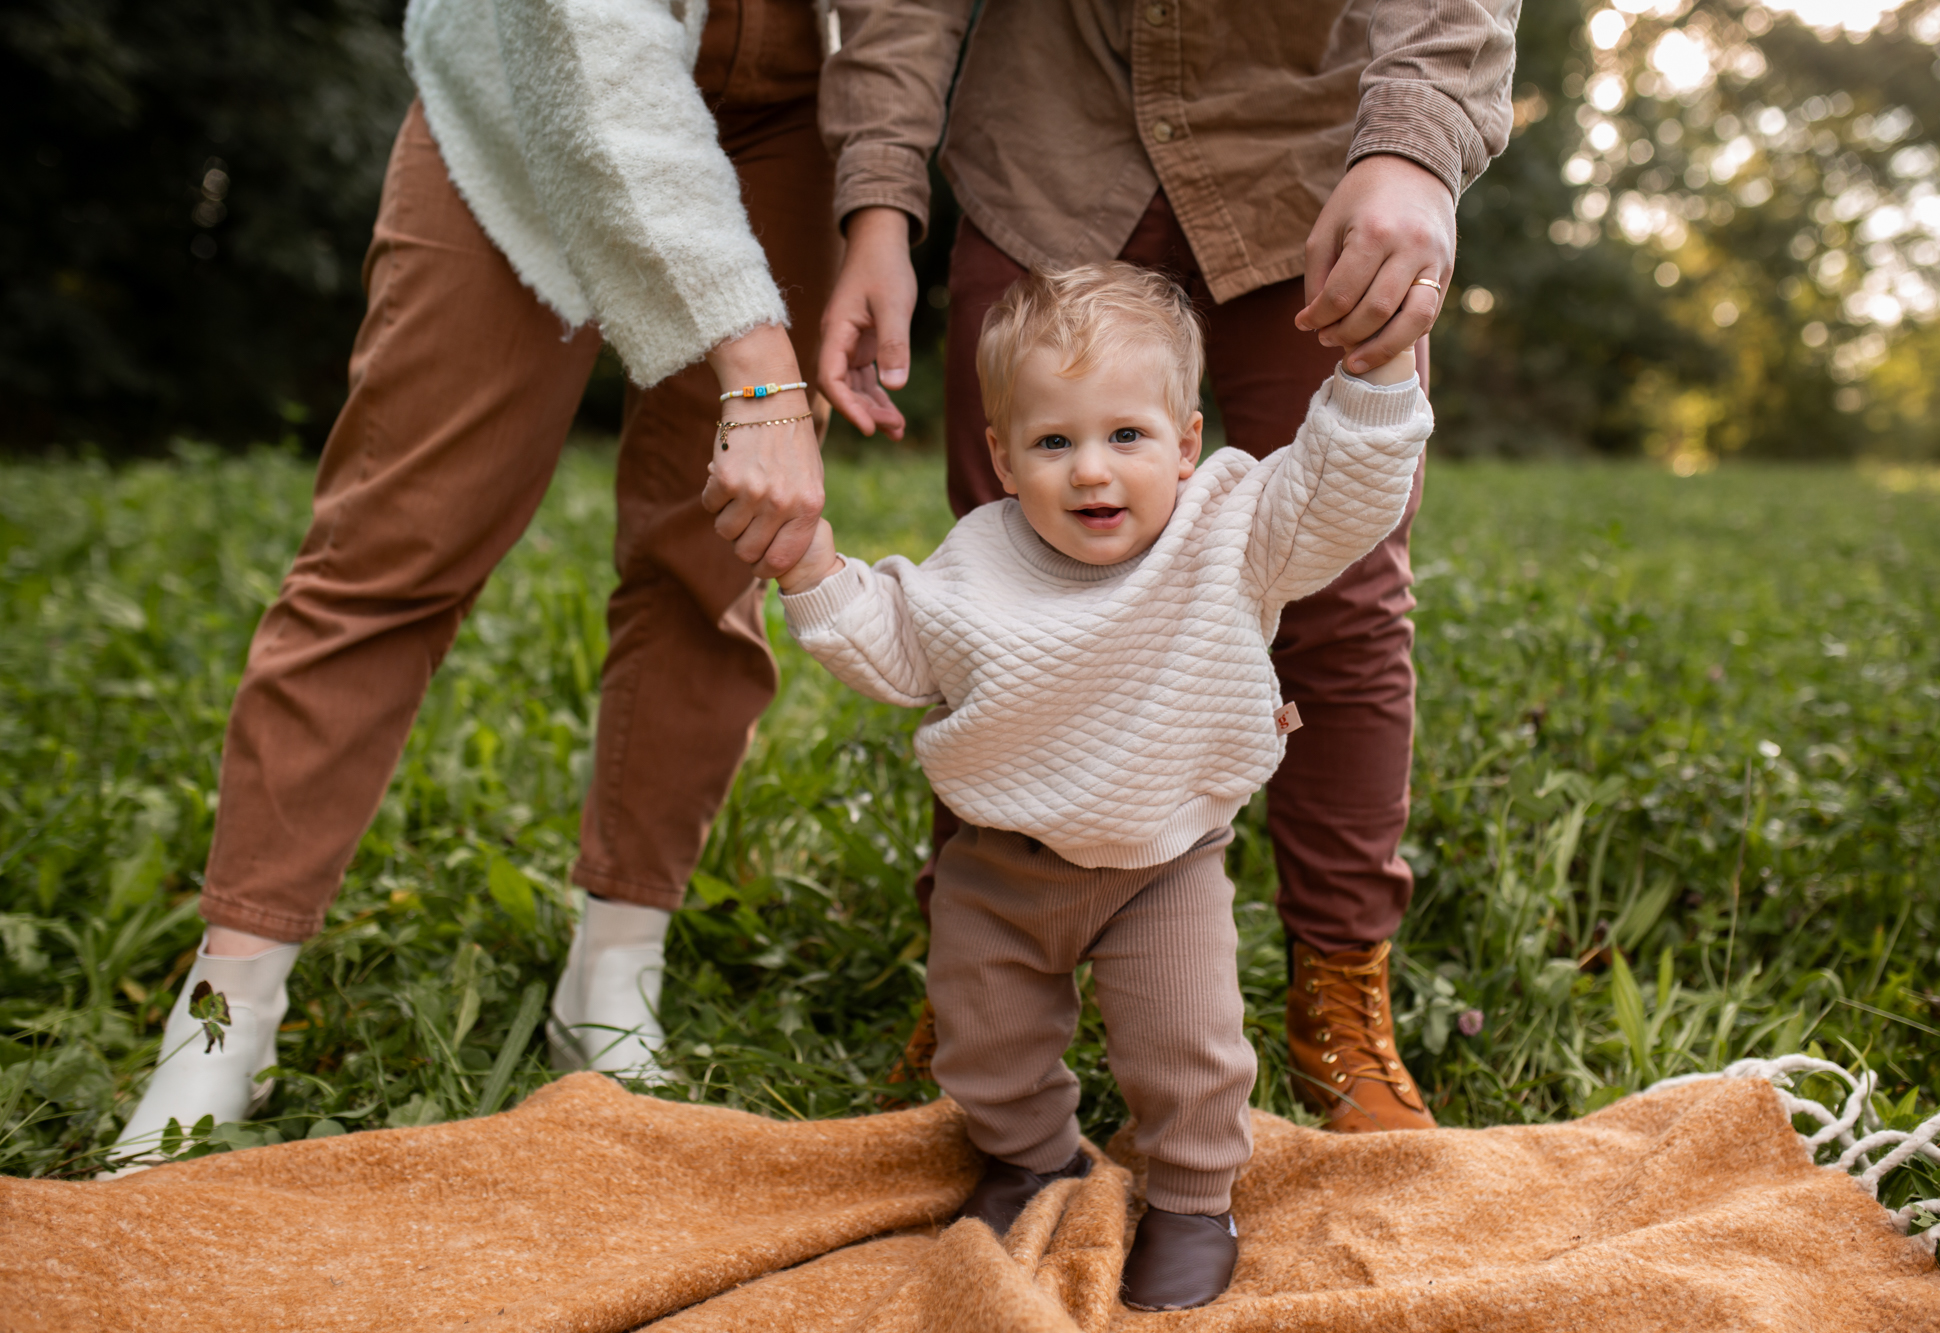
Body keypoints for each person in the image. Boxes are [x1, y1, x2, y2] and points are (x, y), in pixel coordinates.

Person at [117, 0, 839, 1156]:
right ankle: (225, 1019)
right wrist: (761, 379)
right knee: (393, 545)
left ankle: (613, 970)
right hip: (531, 86)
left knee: (714, 555)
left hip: (797, 116)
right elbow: (589, 50)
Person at [816, 0, 1518, 1132]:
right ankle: (980, 986)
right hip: (1040, 148)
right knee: (1003, 593)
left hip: (1303, 151)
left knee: (1338, 591)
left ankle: (1336, 982)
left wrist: (1413, 142)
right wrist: (880, 200)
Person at [775, 263, 1430, 1310]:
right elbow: (901, 644)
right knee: (984, 1041)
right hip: (998, 865)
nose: (1091, 472)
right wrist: (809, 567)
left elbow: (1339, 491)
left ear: (1183, 439)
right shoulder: (980, 557)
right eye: (1052, 443)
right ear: (1001, 457)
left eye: (1124, 436)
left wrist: (1377, 368)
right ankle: (1034, 1158)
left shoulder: (1232, 529)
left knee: (1185, 1048)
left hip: (1161, 862)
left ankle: (1188, 1199)